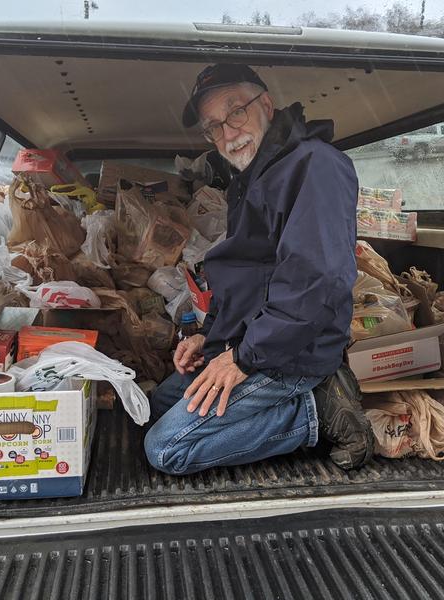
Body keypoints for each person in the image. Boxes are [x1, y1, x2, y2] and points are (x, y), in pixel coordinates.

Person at [144, 64, 372, 476]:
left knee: (165, 450)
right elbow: (247, 275)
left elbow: (315, 279)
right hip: (255, 340)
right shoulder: (253, 177)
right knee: (159, 403)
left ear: (265, 104)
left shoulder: (315, 165)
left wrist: (243, 359)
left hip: (292, 353)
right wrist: (208, 338)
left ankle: (314, 411)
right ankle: (285, 404)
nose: (228, 134)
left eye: (236, 112)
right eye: (214, 126)